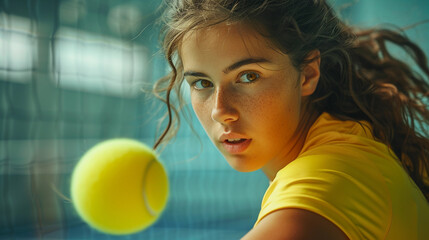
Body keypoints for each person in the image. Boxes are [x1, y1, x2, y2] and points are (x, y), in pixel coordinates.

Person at [153, 0, 429, 239]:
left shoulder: (330, 180)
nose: (219, 110)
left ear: (308, 74)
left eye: (249, 76)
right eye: (202, 83)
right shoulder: (352, 141)